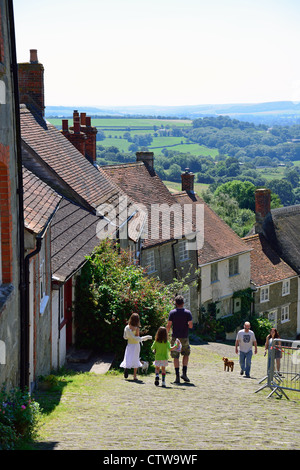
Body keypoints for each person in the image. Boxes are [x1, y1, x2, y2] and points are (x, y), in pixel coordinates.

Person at [166, 295, 193, 384]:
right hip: (184, 336)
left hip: (175, 337)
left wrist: (166, 334)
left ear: (175, 303)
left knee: (175, 356)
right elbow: (191, 325)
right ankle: (184, 373)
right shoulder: (188, 313)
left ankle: (177, 377)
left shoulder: (172, 313)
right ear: (183, 303)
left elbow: (169, 325)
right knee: (186, 354)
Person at [120, 313, 152, 380]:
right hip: (136, 345)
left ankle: (126, 368)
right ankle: (134, 376)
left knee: (128, 357)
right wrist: (146, 337)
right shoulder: (136, 328)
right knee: (136, 359)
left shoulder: (127, 327)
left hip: (129, 345)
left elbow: (125, 337)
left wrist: (130, 337)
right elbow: (137, 338)